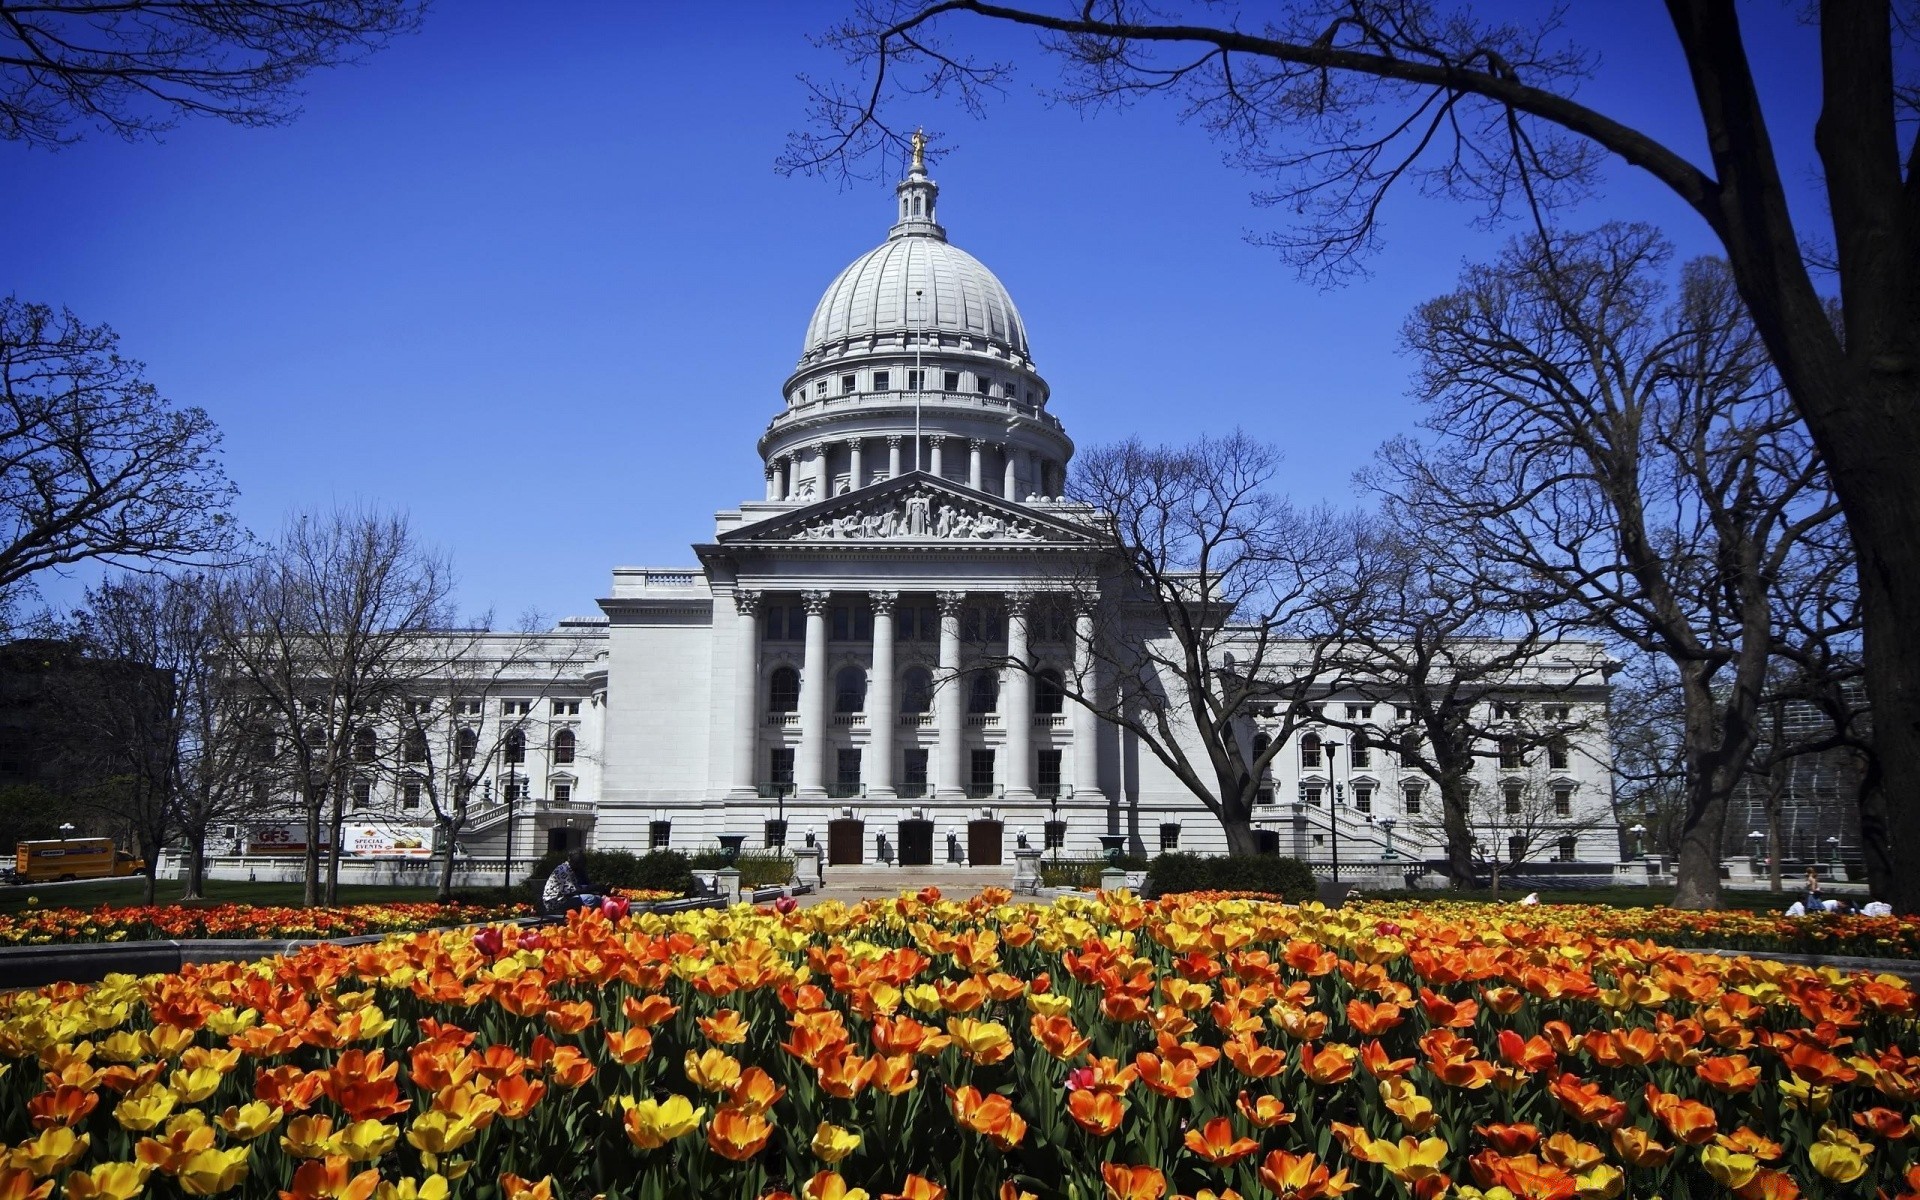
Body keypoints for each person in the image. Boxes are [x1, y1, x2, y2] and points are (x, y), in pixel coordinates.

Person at [541, 850, 600, 915]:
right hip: (555, 903)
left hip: (562, 899)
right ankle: (585, 921)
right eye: (581, 864)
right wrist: (590, 888)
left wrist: (593, 887)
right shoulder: (563, 871)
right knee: (590, 899)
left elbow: (575, 888)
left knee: (598, 898)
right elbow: (573, 891)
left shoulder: (569, 869)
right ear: (576, 863)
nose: (582, 867)